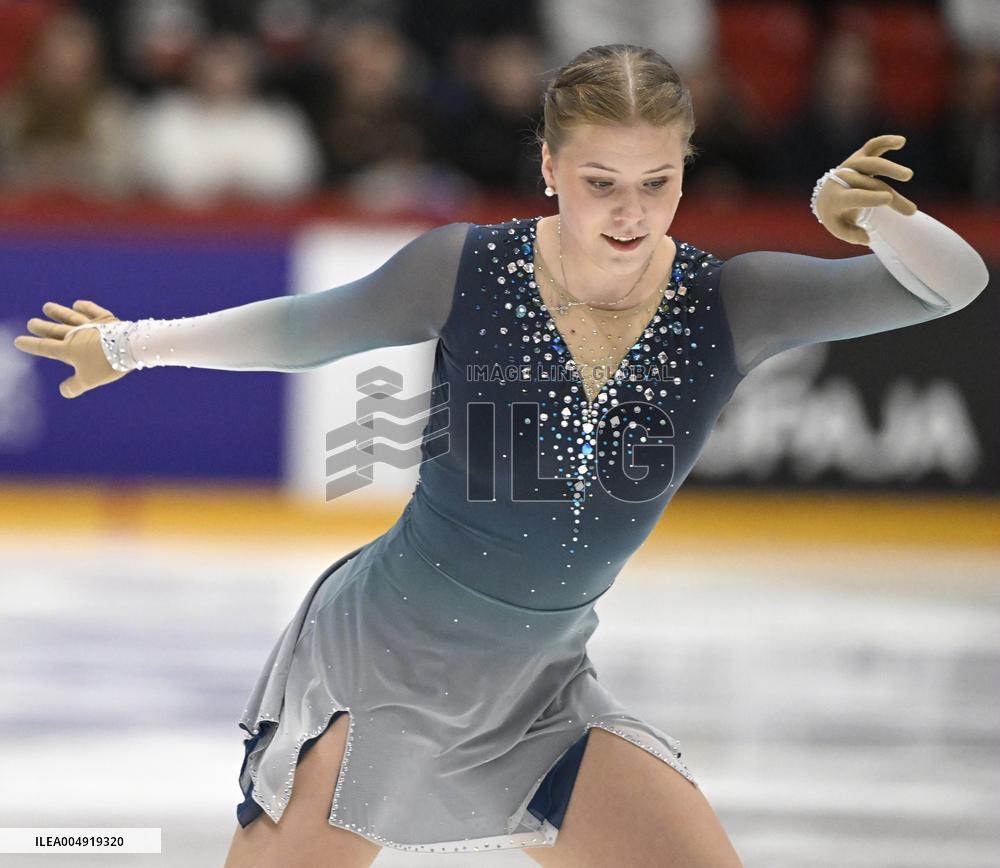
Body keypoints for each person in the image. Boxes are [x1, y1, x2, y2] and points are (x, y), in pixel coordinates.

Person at [12, 44, 989, 868]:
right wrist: (131, 343)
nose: (628, 213)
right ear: (551, 169)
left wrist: (869, 218)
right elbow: (304, 330)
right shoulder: (464, 270)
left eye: (656, 183)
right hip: (373, 669)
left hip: (535, 694)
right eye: (600, 182)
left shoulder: (731, 304)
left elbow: (954, 284)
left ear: (685, 174)